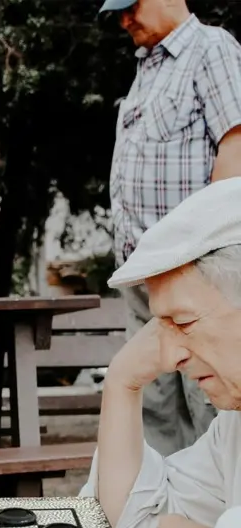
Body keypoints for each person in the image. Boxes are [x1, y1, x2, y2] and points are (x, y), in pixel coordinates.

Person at [81, 176, 241, 528]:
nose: (169, 355)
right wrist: (122, 381)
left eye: (183, 322)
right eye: (160, 327)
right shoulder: (234, 425)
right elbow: (127, 527)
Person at [101, 0, 241, 456]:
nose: (123, 19)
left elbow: (236, 147)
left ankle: (223, 518)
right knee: (155, 405)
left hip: (192, 274)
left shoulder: (210, 48)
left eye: (129, 6)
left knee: (209, 399)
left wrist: (205, 255)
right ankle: (163, 515)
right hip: (144, 271)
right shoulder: (148, 67)